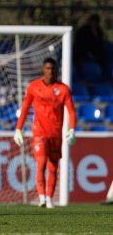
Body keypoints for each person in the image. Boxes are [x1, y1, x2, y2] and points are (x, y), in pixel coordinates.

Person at [13, 57, 76, 209]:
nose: (50, 71)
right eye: (47, 68)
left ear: (56, 70)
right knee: (41, 164)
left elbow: (71, 111)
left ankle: (49, 199)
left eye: (52, 69)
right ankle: (41, 197)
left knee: (53, 167)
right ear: (43, 70)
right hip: (39, 133)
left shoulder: (63, 89)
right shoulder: (33, 87)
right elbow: (25, 108)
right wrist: (18, 128)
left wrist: (72, 129)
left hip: (55, 134)